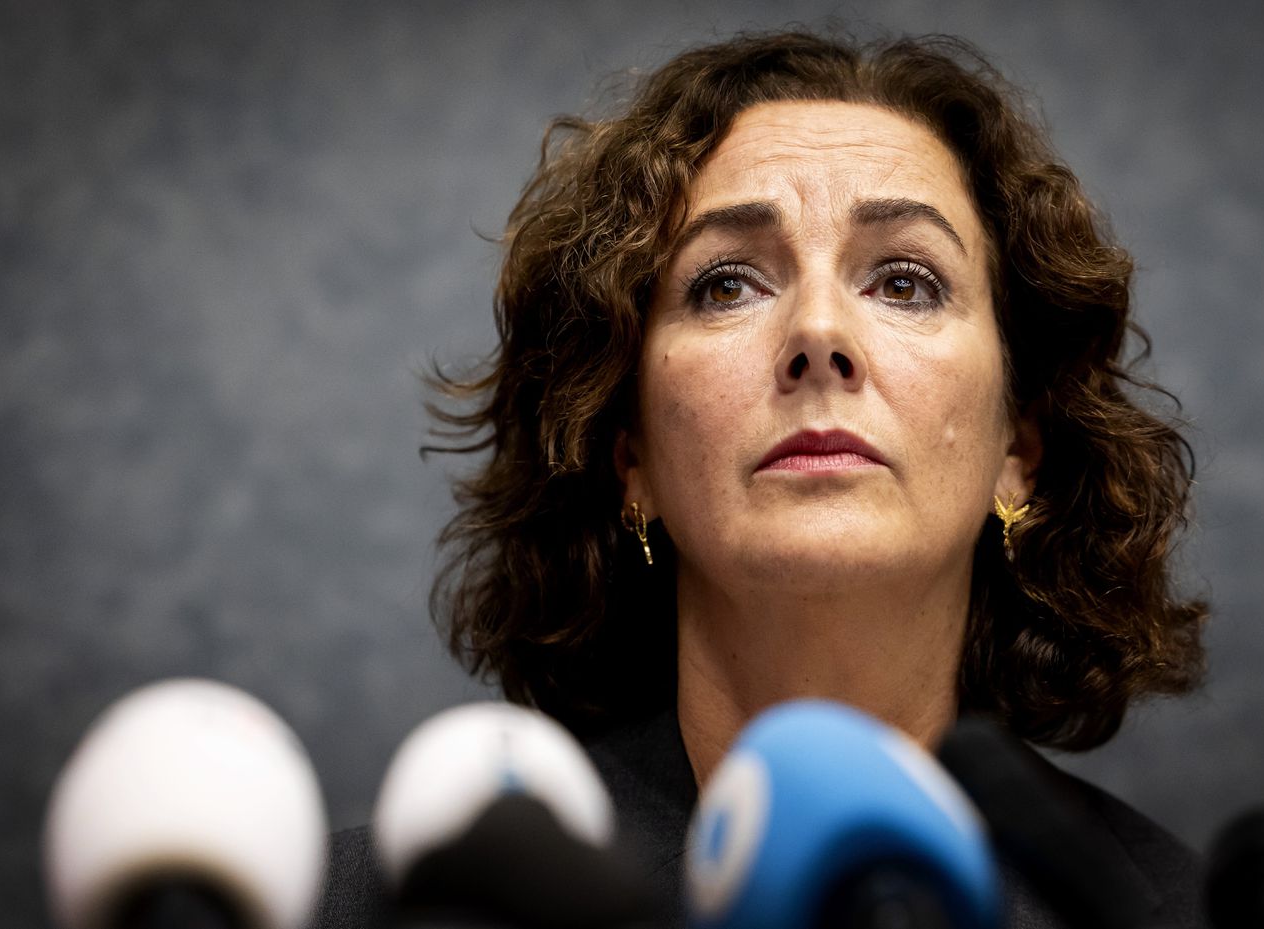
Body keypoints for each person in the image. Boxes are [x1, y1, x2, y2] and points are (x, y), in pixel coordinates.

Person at [317, 29, 1208, 928]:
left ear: (1019, 448)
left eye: (904, 282)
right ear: (629, 455)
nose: (818, 332)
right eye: (727, 284)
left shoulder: (1169, 909)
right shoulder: (380, 906)